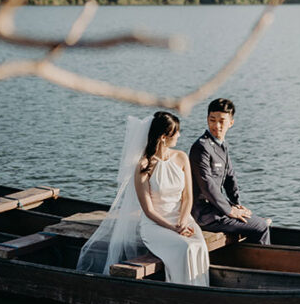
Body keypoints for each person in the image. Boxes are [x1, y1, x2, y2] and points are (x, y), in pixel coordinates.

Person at [77, 111, 209, 287]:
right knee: (185, 248)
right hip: (156, 225)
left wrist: (183, 222)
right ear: (163, 137)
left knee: (199, 245)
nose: (179, 135)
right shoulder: (144, 165)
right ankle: (181, 290)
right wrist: (173, 228)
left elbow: (187, 198)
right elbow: (148, 210)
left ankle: (199, 288)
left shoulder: (181, 157)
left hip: (182, 219)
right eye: (176, 131)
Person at [189, 98, 271, 244]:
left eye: (222, 121)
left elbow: (230, 178)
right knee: (261, 226)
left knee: (256, 221)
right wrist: (230, 210)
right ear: (207, 119)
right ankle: (264, 258)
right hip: (204, 214)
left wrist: (237, 204)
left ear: (231, 123)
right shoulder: (202, 147)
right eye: (212, 120)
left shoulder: (222, 145)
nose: (216, 126)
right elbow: (207, 186)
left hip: (217, 208)